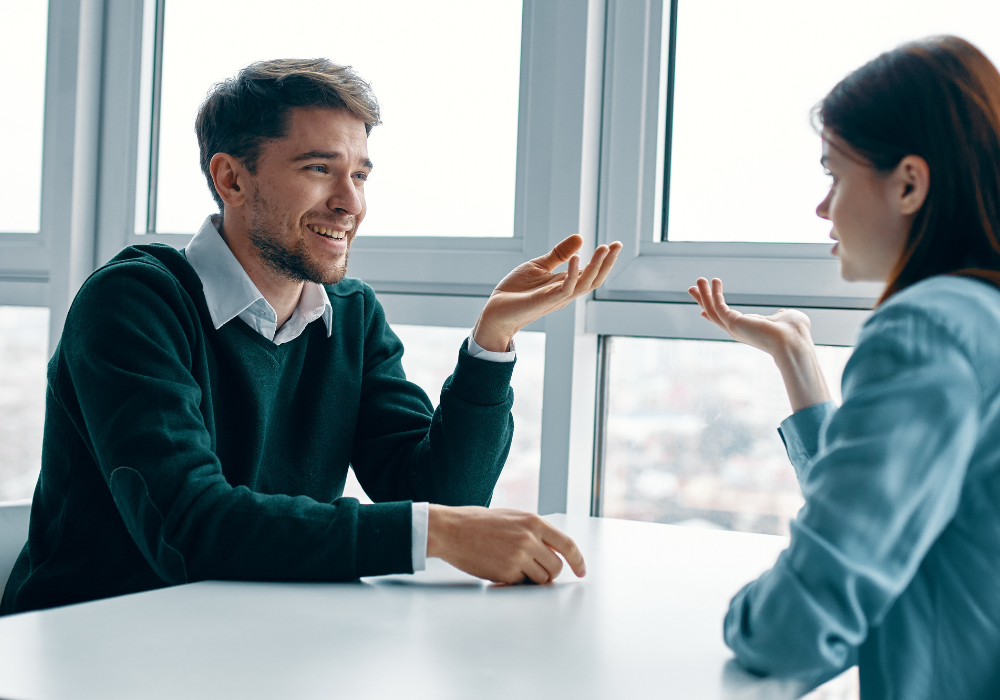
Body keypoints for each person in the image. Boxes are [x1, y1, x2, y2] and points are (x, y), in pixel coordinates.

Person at [1, 59, 622, 615]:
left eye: (360, 174)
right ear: (232, 179)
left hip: (254, 637)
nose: (350, 202)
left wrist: (493, 341)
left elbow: (441, 493)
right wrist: (431, 533)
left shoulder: (349, 314)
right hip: (89, 646)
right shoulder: (134, 302)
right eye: (320, 169)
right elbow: (186, 526)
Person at [689, 36, 1000, 699]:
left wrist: (741, 613)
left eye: (834, 173)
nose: (823, 208)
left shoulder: (926, 327)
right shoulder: (982, 319)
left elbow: (798, 623)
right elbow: (895, 522)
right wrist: (797, 361)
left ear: (909, 182)